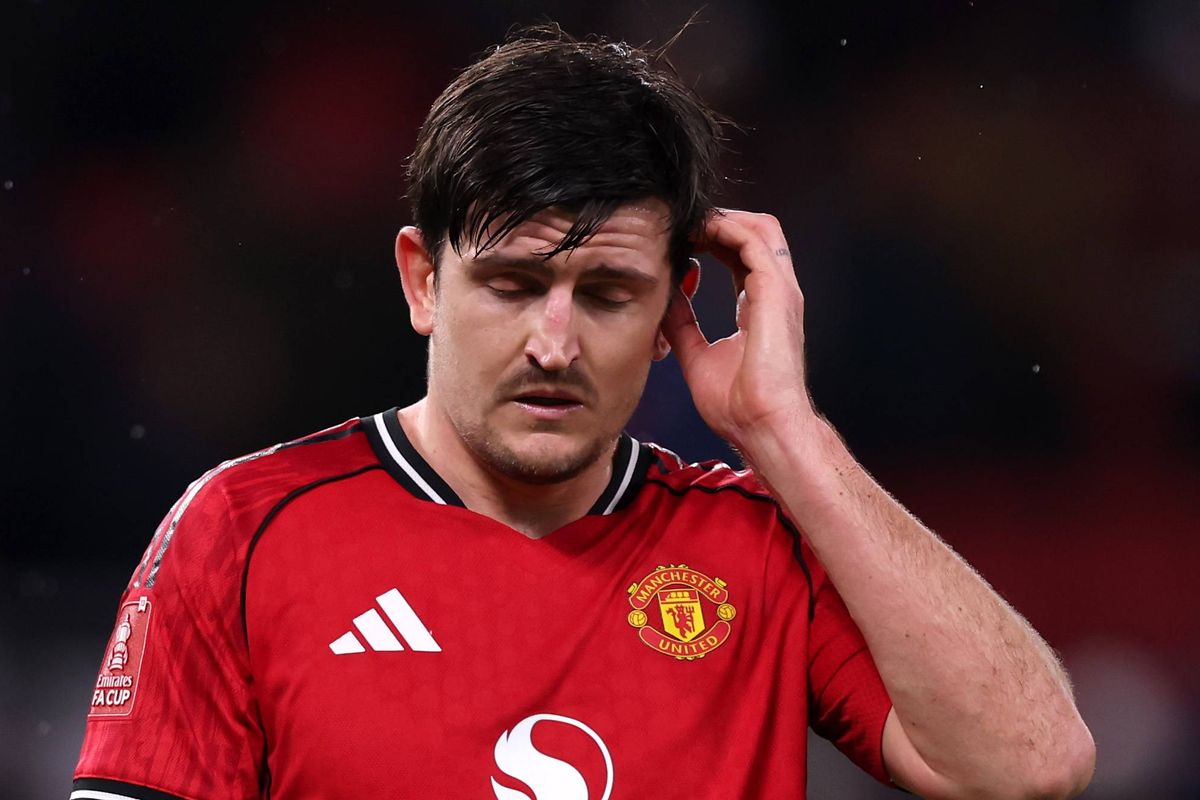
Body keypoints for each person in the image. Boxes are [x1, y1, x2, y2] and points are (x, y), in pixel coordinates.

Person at [70, 25, 1095, 800]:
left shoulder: (759, 543)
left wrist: (786, 430)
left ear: (671, 308)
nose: (555, 342)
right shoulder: (242, 532)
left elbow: (1031, 765)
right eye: (513, 284)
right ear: (423, 280)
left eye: (606, 293)